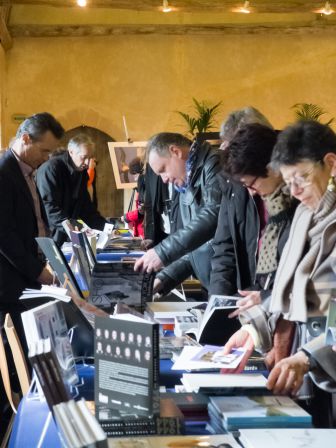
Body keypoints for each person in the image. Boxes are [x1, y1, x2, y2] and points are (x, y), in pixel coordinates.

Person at [222, 120, 336, 424]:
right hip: (308, 367)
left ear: (330, 164)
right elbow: (289, 291)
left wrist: (308, 355)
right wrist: (253, 327)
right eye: (289, 181)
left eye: (301, 177)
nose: (295, 191)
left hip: (321, 362)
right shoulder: (302, 214)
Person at [0, 112, 64, 437]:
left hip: (26, 279)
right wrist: (41, 273)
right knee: (14, 370)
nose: (48, 158)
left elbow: (35, 221)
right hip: (9, 286)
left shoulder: (27, 169)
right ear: (25, 139)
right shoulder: (3, 171)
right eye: (44, 151)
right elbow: (5, 237)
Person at [211, 124, 298, 313]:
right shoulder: (269, 199)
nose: (251, 191)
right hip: (264, 306)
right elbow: (224, 251)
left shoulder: (297, 204)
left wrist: (264, 297)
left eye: (251, 183)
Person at [134, 132, 222, 294]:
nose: (164, 179)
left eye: (163, 170)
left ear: (176, 152)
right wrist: (163, 278)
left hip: (226, 281)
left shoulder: (214, 163)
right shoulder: (183, 184)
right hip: (211, 282)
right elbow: (194, 247)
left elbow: (214, 214)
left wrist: (162, 252)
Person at [209, 108, 275, 296]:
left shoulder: (289, 187)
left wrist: (265, 299)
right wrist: (217, 301)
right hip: (250, 297)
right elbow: (224, 248)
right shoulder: (232, 181)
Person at [36, 133, 107, 246]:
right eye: (84, 157)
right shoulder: (51, 169)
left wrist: (107, 228)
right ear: (71, 152)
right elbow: (49, 208)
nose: (87, 163)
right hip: (49, 235)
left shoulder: (81, 172)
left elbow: (86, 207)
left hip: (67, 234)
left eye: (90, 158)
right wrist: (74, 228)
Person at [121, 157, 145, 237]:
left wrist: (127, 217)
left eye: (135, 175)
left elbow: (143, 210)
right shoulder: (141, 188)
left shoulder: (145, 187)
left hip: (144, 231)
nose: (135, 179)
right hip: (140, 229)